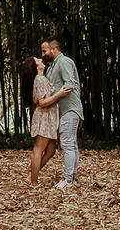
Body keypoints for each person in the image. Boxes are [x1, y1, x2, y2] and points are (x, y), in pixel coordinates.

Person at [18, 56, 71, 186]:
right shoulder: (40, 79)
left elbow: (47, 99)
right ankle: (34, 182)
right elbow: (42, 103)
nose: (41, 60)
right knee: (39, 149)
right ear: (35, 67)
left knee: (50, 151)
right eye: (38, 61)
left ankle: (31, 176)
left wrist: (57, 97)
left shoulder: (41, 79)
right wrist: (58, 95)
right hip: (45, 117)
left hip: (49, 117)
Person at [41, 36, 83, 189]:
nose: (43, 54)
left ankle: (69, 179)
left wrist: (55, 98)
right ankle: (73, 177)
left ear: (54, 48)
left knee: (68, 144)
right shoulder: (52, 66)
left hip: (69, 108)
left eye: (45, 51)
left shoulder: (64, 62)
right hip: (62, 110)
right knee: (71, 144)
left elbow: (69, 84)